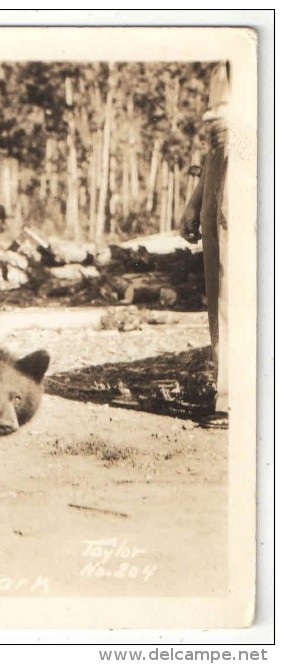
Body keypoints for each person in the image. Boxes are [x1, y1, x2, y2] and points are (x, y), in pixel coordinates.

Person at [181, 63, 229, 430]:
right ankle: (228, 396)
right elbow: (219, 141)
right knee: (225, 288)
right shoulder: (220, 64)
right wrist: (197, 200)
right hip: (225, 159)